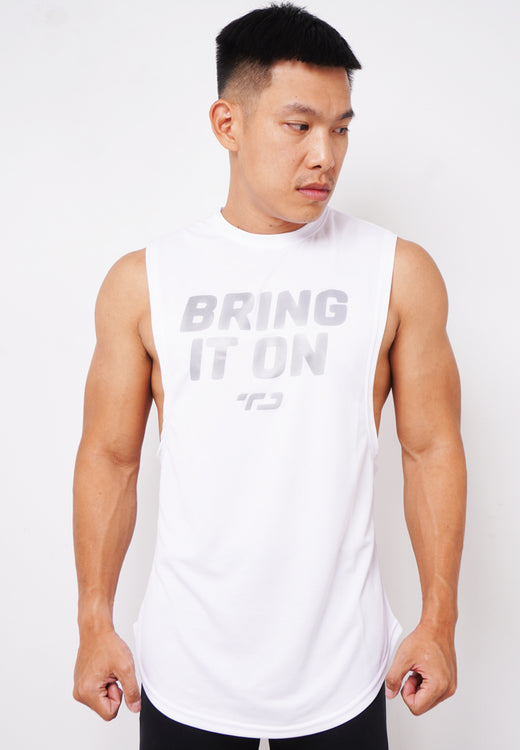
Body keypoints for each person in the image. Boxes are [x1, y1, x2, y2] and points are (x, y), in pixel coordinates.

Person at [72, 3, 467, 749]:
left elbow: (431, 449)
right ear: (228, 124)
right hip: (184, 674)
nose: (325, 155)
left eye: (341, 128)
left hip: (342, 676)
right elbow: (110, 458)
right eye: (299, 125)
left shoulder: (397, 272)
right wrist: (95, 622)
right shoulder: (143, 282)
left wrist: (439, 623)